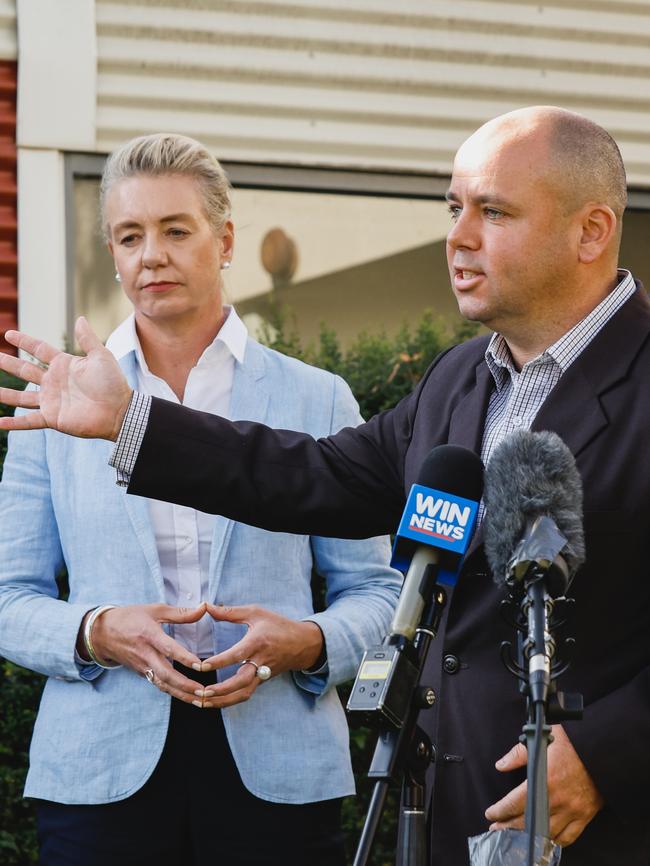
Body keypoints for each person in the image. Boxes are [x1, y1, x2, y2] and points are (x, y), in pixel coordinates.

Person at [1, 106, 649, 865]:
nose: (459, 236)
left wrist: (611, 754)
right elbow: (313, 475)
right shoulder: (456, 383)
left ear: (592, 231)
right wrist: (131, 423)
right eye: (453, 209)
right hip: (443, 816)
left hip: (605, 827)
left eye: (493, 212)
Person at [0, 133, 403, 866]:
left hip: (279, 771)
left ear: (223, 241)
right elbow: (7, 597)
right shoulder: (52, 410)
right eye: (129, 236)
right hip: (98, 774)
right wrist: (96, 630)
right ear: (114, 255)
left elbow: (377, 592)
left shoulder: (317, 398)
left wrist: (307, 644)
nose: (151, 254)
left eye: (174, 230)